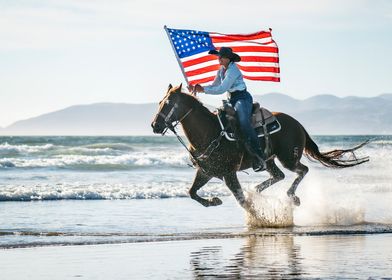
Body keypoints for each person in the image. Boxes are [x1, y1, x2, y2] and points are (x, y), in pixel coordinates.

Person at [188, 47, 266, 172]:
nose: (219, 59)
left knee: (244, 122)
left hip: (242, 98)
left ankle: (259, 156)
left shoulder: (233, 70)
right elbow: (215, 85)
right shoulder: (221, 70)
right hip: (231, 99)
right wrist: (198, 88)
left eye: (221, 57)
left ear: (228, 59)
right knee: (219, 119)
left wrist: (203, 90)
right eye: (218, 56)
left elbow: (222, 89)